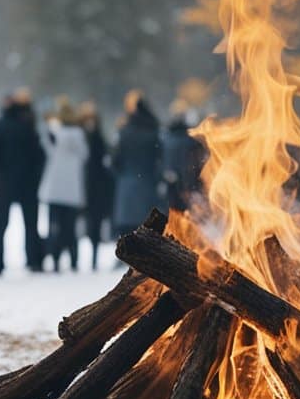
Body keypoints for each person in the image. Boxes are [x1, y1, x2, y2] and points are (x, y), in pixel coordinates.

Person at [0, 89, 46, 274]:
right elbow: (39, 156)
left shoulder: (0, 124)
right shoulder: (28, 126)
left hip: (3, 184)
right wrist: (36, 177)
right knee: (30, 225)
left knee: (0, 226)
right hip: (27, 184)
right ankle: (33, 260)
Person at [40, 100, 90, 271]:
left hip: (54, 188)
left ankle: (54, 258)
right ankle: (73, 259)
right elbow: (85, 155)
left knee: (54, 226)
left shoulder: (53, 133)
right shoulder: (78, 134)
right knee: (71, 227)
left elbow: (47, 150)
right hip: (72, 189)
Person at [111, 91, 163, 239]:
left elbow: (115, 160)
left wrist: (120, 174)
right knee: (146, 226)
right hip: (147, 183)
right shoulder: (154, 131)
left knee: (127, 228)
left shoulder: (124, 132)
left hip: (127, 183)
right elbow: (159, 159)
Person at [80, 101, 114, 270]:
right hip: (87, 186)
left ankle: (92, 258)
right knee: (88, 224)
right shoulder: (84, 138)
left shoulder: (97, 138)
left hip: (94, 187)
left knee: (94, 224)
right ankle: (82, 258)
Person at [161, 101, 206, 213]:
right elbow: (198, 163)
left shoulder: (166, 137)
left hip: (170, 186)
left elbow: (161, 162)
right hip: (188, 186)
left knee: (171, 217)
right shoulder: (191, 139)